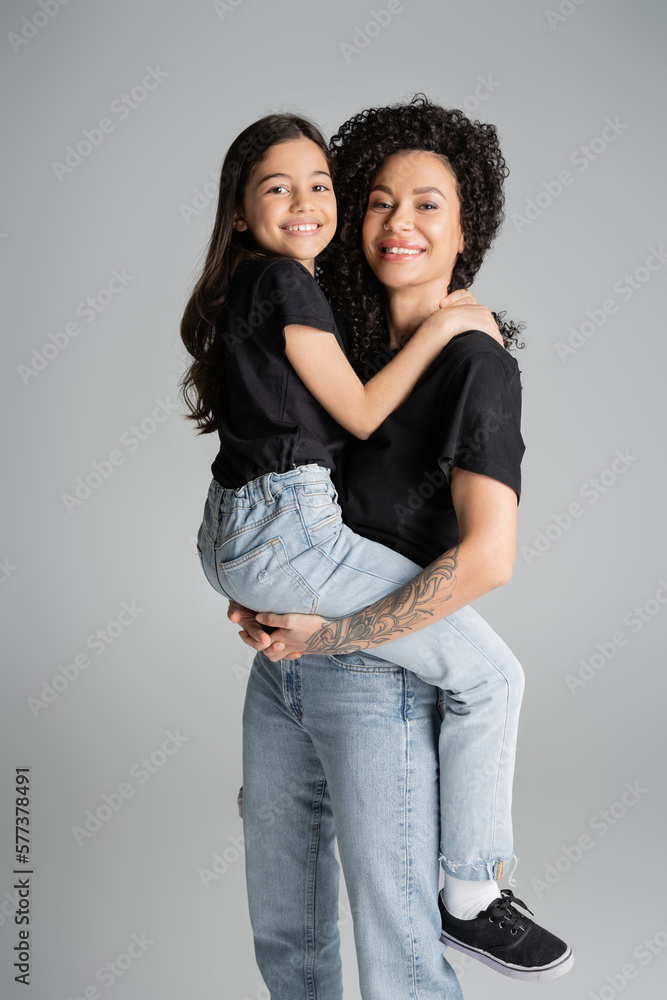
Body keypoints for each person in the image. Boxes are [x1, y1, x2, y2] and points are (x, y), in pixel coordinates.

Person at [221, 97, 573, 995]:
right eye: (378, 199)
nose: (397, 222)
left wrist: (327, 635)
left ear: (467, 234)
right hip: (281, 675)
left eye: (428, 204)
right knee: (288, 944)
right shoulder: (343, 340)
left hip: (377, 681)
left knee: (400, 960)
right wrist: (261, 583)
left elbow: (488, 558)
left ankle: (474, 890)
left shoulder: (475, 365)